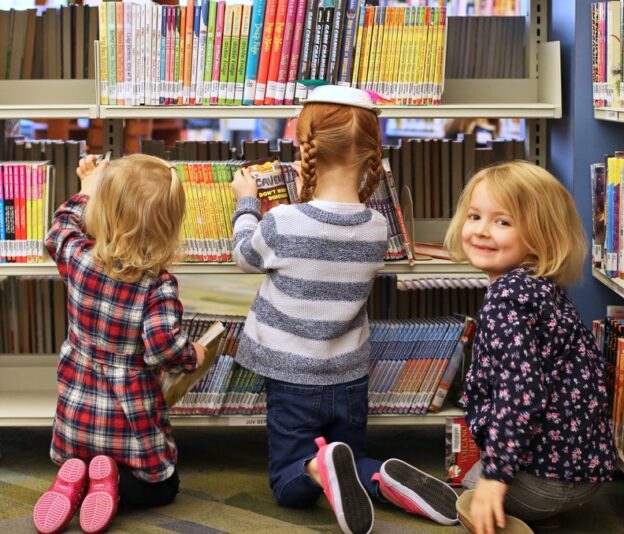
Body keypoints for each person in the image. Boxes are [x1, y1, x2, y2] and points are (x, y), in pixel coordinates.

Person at [230, 85, 459, 534]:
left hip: (292, 378)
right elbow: (327, 232)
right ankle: (381, 476)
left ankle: (316, 470)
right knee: (351, 456)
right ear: (372, 153)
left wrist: (246, 201)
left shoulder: (282, 222)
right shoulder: (375, 227)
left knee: (286, 479)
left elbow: (245, 255)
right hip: (350, 378)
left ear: (304, 146)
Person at [34, 154, 206, 534]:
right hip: (130, 420)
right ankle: (111, 480)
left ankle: (75, 475)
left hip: (78, 413)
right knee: (165, 486)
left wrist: (86, 189)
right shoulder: (157, 285)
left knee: (80, 453)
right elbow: (163, 347)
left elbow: (58, 230)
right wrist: (194, 354)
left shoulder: (78, 258)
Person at [444, 161, 617, 534]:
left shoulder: (508, 299)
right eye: (475, 216)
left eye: (502, 222)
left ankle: (522, 511)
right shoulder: (540, 287)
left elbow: (520, 394)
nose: (481, 231)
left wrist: (496, 477)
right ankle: (541, 513)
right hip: (584, 472)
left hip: (547, 480)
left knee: (469, 494)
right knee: (478, 478)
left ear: (541, 236)